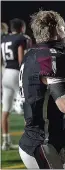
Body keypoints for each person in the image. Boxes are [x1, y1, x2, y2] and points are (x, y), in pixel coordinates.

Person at [18, 10, 65, 169]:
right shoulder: (50, 56)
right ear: (57, 29)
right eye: (63, 27)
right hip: (43, 143)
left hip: (46, 140)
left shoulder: (32, 53)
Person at [1, 18, 27, 151]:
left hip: (6, 73)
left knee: (5, 110)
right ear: (22, 27)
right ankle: (28, 141)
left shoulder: (3, 39)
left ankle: (5, 141)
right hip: (16, 73)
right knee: (26, 107)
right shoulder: (21, 38)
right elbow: (21, 59)